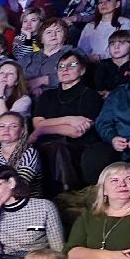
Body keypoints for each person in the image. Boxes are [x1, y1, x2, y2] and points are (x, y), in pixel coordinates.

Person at [31, 50, 109, 191]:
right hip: (46, 145)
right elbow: (37, 124)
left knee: (58, 148)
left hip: (76, 147)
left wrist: (44, 128)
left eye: (72, 65)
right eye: (61, 66)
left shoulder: (91, 96)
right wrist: (69, 119)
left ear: (82, 70)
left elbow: (75, 131)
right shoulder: (47, 96)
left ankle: (66, 193)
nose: (65, 69)